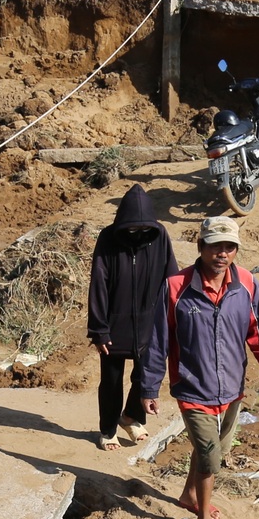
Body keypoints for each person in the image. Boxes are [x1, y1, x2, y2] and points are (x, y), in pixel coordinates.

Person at [141, 216, 259, 519]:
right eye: (215, 246)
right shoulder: (176, 286)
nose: (222, 253)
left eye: (229, 247)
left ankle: (191, 494)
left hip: (233, 386)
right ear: (200, 247)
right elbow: (158, 340)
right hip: (192, 386)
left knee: (213, 450)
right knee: (210, 457)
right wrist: (148, 386)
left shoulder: (247, 284)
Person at [86, 183, 179, 451]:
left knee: (146, 375)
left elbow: (171, 277)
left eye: (143, 229)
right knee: (111, 381)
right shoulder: (108, 238)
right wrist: (99, 329)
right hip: (114, 325)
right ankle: (107, 429)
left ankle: (131, 417)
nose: (138, 234)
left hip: (150, 322)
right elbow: (99, 284)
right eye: (132, 229)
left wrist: (174, 316)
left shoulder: (160, 236)